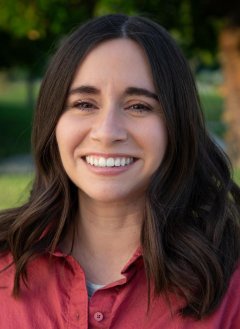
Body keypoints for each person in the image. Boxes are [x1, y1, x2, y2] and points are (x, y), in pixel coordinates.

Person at [0, 14, 240, 329]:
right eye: (84, 104)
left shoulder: (230, 285)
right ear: (53, 122)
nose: (108, 131)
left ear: (177, 125)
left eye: (139, 106)